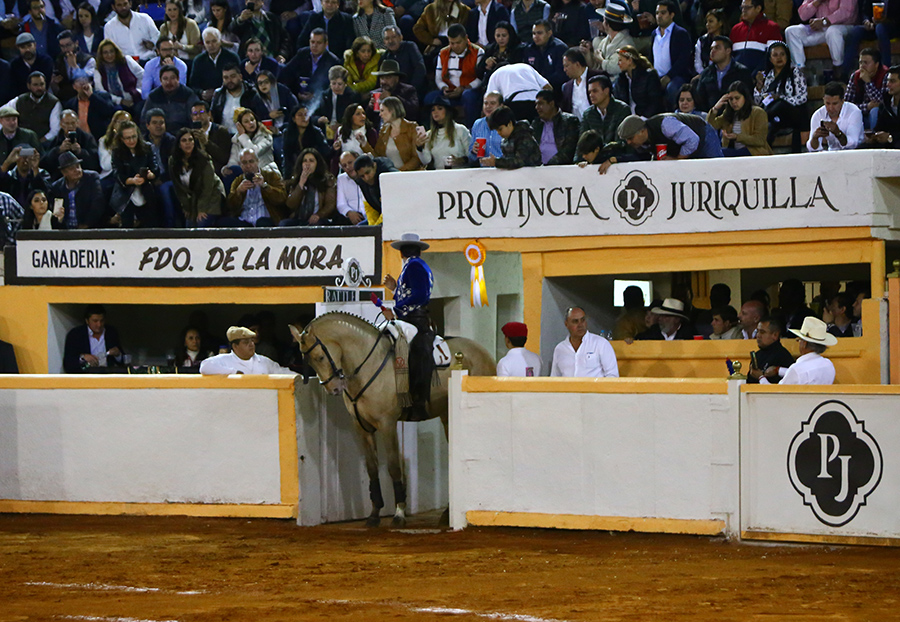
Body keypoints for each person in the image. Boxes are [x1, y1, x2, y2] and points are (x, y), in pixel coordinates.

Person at [382, 232, 435, 420]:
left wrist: (396, 310)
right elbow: (409, 294)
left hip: (415, 319)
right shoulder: (413, 266)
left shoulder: (414, 267)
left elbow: (421, 296)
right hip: (409, 316)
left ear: (401, 252)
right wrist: (394, 289)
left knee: (415, 352)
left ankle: (418, 399)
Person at [754, 41, 808, 153]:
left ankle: (760, 119)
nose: (779, 58)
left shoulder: (795, 72)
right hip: (776, 117)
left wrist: (780, 98)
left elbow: (803, 97)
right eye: (775, 55)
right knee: (769, 126)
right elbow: (759, 101)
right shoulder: (767, 76)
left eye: (782, 54)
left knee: (780, 104)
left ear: (787, 56)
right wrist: (759, 87)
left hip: (793, 114)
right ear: (770, 59)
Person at [785, 0, 857, 83]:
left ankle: (838, 69)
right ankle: (799, 73)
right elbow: (803, 15)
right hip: (821, 29)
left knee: (833, 31)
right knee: (791, 31)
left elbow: (846, 13)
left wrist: (824, 21)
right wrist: (817, 2)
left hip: (844, 26)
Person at [169, 127, 225, 227]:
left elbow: (208, 187)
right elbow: (178, 188)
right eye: (184, 140)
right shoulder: (173, 162)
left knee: (200, 224)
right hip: (194, 199)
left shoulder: (204, 160)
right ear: (179, 144)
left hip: (212, 196)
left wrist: (202, 209)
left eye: (190, 140)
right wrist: (186, 207)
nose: (188, 143)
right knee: (189, 225)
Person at [433, 23, 484, 127]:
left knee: (468, 96)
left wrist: (464, 88)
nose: (455, 46)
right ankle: (438, 131)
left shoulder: (478, 52)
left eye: (458, 42)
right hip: (449, 90)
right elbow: (438, 77)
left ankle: (471, 128)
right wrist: (444, 88)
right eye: (452, 43)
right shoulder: (443, 53)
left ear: (466, 38)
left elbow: (480, 78)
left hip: (470, 90)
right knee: (430, 98)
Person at [110, 120, 158, 227]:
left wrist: (150, 174)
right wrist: (132, 180)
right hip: (126, 192)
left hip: (146, 189)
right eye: (127, 138)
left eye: (134, 136)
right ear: (121, 139)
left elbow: (155, 168)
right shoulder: (117, 151)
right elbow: (117, 173)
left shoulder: (147, 147)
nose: (132, 140)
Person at [616, 112, 724, 160]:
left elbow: (692, 139)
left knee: (716, 169)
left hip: (703, 134)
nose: (629, 142)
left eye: (630, 138)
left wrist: (678, 159)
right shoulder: (645, 141)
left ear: (642, 131)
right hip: (684, 146)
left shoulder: (665, 124)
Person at [223, 147, 287, 227]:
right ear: (240, 165)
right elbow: (230, 206)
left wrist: (265, 186)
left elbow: (281, 198)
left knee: (262, 223)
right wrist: (238, 192)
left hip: (265, 219)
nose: (248, 166)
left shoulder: (271, 176)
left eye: (251, 161)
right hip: (244, 220)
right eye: (244, 163)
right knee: (223, 222)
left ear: (257, 161)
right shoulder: (238, 181)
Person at [708, 80, 773, 156]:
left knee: (721, 153)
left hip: (754, 152)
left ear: (745, 97)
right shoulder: (728, 113)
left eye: (737, 98)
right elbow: (710, 127)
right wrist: (715, 109)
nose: (734, 102)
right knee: (714, 152)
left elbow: (760, 140)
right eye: (731, 99)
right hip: (735, 150)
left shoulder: (758, 112)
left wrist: (737, 137)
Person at [550, 306, 618, 377]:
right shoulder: (560, 349)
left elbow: (612, 375)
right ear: (566, 324)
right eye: (575, 321)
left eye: (582, 320)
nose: (580, 325)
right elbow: (555, 378)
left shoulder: (601, 344)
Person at [650, 0, 694, 108]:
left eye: (663, 13)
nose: (659, 16)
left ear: (672, 15)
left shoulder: (680, 33)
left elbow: (683, 59)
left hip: (677, 76)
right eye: (657, 13)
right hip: (657, 77)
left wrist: (669, 76)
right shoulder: (654, 34)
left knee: (672, 88)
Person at [200, 326, 294, 374]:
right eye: (246, 342)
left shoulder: (264, 361)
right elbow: (204, 367)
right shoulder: (225, 360)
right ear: (235, 346)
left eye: (252, 341)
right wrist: (233, 372)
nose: (251, 345)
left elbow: (283, 372)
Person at [49, 150, 105, 228]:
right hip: (66, 230)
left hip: (90, 227)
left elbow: (97, 203)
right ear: (64, 172)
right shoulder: (57, 187)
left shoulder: (92, 178)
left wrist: (86, 225)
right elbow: (57, 213)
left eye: (78, 166)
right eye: (72, 168)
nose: (77, 170)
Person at [281, 147, 337, 225]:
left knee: (317, 224)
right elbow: (290, 204)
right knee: (283, 224)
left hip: (319, 218)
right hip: (299, 218)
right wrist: (301, 184)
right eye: (305, 161)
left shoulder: (328, 180)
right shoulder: (296, 180)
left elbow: (330, 204)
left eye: (311, 161)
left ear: (317, 163)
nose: (307, 164)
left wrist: (319, 215)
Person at [63, 304, 125, 373]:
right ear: (87, 321)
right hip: (85, 376)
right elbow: (68, 363)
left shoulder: (111, 333)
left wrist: (118, 355)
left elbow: (123, 361)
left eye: (102, 321)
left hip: (108, 375)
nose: (99, 324)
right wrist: (83, 358)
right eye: (95, 321)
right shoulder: (75, 335)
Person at [281, 28, 340, 100]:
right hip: (298, 99)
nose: (314, 46)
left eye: (319, 43)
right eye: (312, 42)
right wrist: (296, 94)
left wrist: (315, 96)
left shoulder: (333, 61)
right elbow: (286, 74)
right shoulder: (302, 54)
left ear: (326, 44)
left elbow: (334, 87)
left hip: (321, 102)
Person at [210, 63, 268, 134]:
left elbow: (262, 117)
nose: (229, 80)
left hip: (248, 136)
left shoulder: (252, 93)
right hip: (223, 137)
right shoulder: (218, 94)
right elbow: (213, 117)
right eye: (226, 78)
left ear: (240, 77)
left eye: (233, 76)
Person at [417, 92, 470, 169]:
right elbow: (426, 161)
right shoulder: (429, 134)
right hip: (439, 175)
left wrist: (460, 160)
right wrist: (419, 148)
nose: (435, 112)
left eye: (440, 108)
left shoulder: (460, 130)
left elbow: (471, 156)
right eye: (433, 110)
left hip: (461, 174)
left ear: (448, 111)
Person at [5, 71, 60, 144]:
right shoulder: (19, 100)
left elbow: (55, 130)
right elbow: (3, 113)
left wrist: (40, 142)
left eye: (42, 84)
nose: (39, 88)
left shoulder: (54, 102)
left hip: (43, 143)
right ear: (29, 86)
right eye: (35, 85)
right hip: (19, 142)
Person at [808, 81, 864, 151]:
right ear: (823, 100)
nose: (831, 108)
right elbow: (812, 149)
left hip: (858, 152)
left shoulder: (854, 112)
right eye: (827, 103)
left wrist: (838, 133)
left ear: (842, 101)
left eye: (835, 104)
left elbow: (853, 144)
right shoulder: (818, 115)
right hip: (832, 153)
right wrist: (815, 138)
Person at [729, 0, 782, 75]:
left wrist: (757, 75)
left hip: (761, 78)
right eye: (742, 7)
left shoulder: (771, 27)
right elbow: (730, 56)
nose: (744, 10)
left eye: (747, 8)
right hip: (737, 77)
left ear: (758, 8)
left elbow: (772, 57)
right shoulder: (735, 29)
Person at [143, 65, 199, 135]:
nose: (169, 82)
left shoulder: (188, 95)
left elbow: (195, 118)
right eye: (165, 79)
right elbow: (144, 119)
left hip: (182, 135)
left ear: (178, 79)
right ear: (160, 80)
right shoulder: (153, 96)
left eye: (172, 78)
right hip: (160, 135)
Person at [190, 27, 241, 103]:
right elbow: (193, 85)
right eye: (207, 42)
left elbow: (239, 80)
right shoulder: (198, 60)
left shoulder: (232, 58)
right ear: (203, 44)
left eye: (214, 41)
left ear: (220, 41)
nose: (211, 45)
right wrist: (201, 93)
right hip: (206, 101)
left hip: (230, 98)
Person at [94, 38, 143, 113]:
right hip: (114, 103)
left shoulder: (126, 60)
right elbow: (101, 91)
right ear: (101, 55)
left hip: (134, 97)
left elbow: (143, 75)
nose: (109, 55)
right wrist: (120, 101)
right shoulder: (98, 69)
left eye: (111, 51)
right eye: (105, 53)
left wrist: (138, 91)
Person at [612, 45, 663, 117]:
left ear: (629, 60)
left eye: (620, 60)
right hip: (628, 120)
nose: (618, 63)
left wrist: (643, 118)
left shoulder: (649, 76)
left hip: (647, 119)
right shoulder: (621, 80)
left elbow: (655, 102)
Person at [373, 95, 421, 170]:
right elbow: (378, 157)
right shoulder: (384, 131)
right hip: (391, 176)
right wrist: (364, 144)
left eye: (382, 110)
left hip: (410, 175)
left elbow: (417, 157)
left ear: (392, 110)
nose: (380, 114)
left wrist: (399, 173)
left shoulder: (412, 127)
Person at [845, 48, 888, 131]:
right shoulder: (855, 76)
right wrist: (867, 107)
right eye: (860, 62)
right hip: (860, 116)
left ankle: (875, 139)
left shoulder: (885, 75)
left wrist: (868, 82)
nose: (862, 66)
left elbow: (882, 104)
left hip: (881, 118)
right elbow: (847, 106)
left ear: (876, 65)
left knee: (875, 111)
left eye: (866, 63)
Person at [531, 89, 579, 164]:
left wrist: (548, 166)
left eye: (540, 103)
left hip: (560, 169)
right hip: (536, 169)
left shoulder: (569, 121)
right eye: (536, 104)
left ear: (551, 104)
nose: (537, 107)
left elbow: (568, 151)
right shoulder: (536, 124)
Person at [580, 74, 630, 144]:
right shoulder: (587, 114)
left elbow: (621, 142)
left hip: (616, 153)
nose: (591, 95)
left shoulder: (622, 110)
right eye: (589, 92)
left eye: (595, 91)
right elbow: (582, 143)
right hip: (595, 154)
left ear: (606, 91)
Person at [315, 66, 362, 136]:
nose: (336, 87)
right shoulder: (324, 95)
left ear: (345, 84)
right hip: (325, 132)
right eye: (333, 84)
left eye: (339, 84)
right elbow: (313, 116)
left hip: (347, 132)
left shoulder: (353, 96)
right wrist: (319, 119)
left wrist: (341, 125)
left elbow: (357, 118)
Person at [381, 25, 428, 95]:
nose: (390, 41)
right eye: (387, 38)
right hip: (393, 93)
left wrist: (410, 90)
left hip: (414, 91)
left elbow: (420, 69)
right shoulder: (385, 56)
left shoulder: (410, 47)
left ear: (400, 37)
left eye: (394, 37)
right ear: (384, 42)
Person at [747, 316, 795, 383]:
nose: (758, 335)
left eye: (762, 332)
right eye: (757, 331)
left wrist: (760, 376)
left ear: (775, 335)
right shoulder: (757, 355)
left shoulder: (783, 357)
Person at [353, 152, 397, 223]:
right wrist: (373, 227)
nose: (366, 178)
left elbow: (392, 207)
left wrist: (376, 228)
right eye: (362, 176)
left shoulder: (389, 174)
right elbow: (369, 208)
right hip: (380, 214)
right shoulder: (361, 182)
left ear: (374, 165)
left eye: (368, 173)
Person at [54, 29, 96, 103]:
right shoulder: (59, 60)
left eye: (68, 45)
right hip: (65, 98)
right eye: (62, 46)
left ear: (76, 43)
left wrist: (74, 66)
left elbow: (86, 80)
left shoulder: (88, 60)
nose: (66, 49)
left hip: (85, 96)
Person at [561, 47, 600, 118]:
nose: (564, 70)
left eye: (567, 66)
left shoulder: (597, 77)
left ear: (577, 64)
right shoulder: (567, 87)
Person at [11, 32, 54, 97]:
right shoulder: (15, 65)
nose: (27, 50)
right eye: (23, 47)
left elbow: (46, 84)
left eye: (29, 45)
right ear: (18, 49)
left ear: (35, 45)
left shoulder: (46, 61)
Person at [468, 90, 505, 165]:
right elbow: (471, 157)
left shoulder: (507, 124)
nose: (488, 106)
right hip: (484, 171)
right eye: (486, 103)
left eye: (492, 103)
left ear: (501, 106)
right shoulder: (477, 124)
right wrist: (473, 151)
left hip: (504, 170)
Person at [868, 64, 900, 149]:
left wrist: (891, 137)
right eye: (888, 81)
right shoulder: (886, 102)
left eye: (892, 81)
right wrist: (874, 136)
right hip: (888, 143)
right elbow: (880, 126)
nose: (888, 84)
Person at [336, 150, 367, 224]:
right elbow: (341, 204)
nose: (348, 167)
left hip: (368, 216)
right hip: (350, 217)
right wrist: (349, 213)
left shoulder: (368, 175)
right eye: (344, 165)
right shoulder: (341, 179)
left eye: (350, 163)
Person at [694, 8, 726, 75]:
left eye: (711, 21)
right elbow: (697, 63)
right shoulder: (702, 41)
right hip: (704, 76)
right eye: (706, 22)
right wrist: (704, 75)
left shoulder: (727, 40)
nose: (707, 24)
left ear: (720, 23)